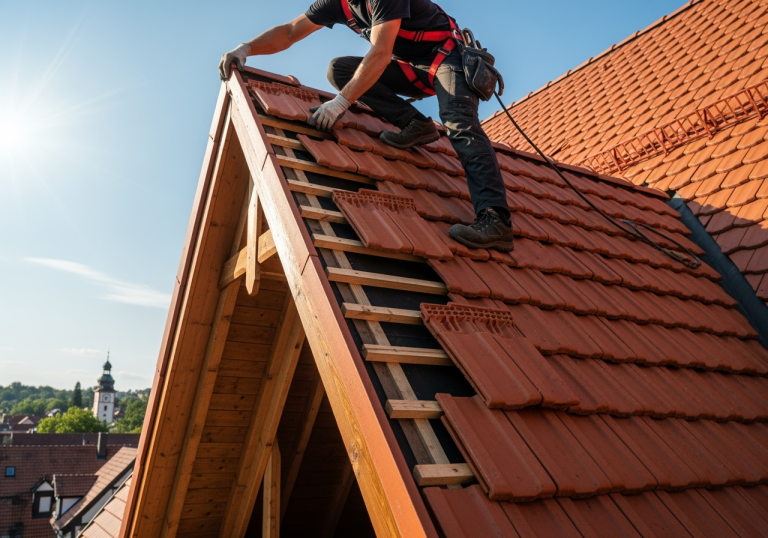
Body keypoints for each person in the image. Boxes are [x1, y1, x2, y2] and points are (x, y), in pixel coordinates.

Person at [218, 0, 514, 251]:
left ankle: (495, 220)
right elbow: (290, 32)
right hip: (413, 69)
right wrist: (247, 48)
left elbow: (381, 52)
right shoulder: (336, 3)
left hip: (448, 59)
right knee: (341, 70)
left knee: (458, 124)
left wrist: (340, 104)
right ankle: (415, 124)